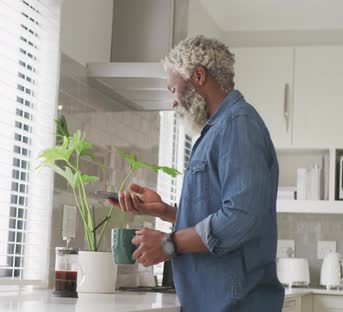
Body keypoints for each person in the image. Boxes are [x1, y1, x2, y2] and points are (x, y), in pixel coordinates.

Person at [107, 35, 284, 312]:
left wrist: (168, 244)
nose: (173, 102)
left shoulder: (238, 125)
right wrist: (165, 211)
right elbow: (219, 214)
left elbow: (240, 218)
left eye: (174, 89)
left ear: (199, 76)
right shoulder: (218, 130)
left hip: (235, 304)